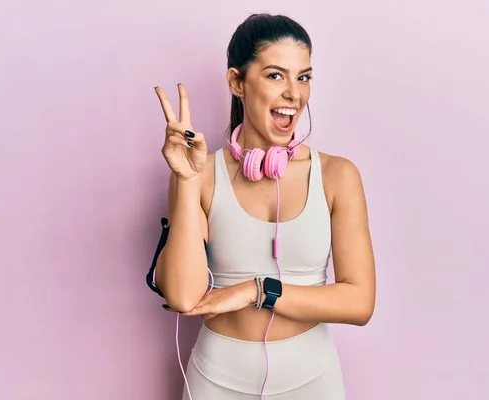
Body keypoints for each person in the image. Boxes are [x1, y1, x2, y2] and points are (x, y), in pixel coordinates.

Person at [152, 13, 376, 400]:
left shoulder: (338, 176)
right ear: (237, 82)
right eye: (276, 75)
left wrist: (259, 290)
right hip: (216, 380)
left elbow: (359, 302)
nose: (295, 94)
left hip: (313, 380)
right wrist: (187, 182)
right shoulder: (200, 173)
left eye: (303, 77)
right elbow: (184, 297)